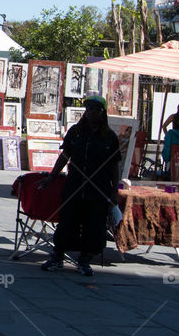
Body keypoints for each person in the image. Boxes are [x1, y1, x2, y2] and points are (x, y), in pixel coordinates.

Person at [39, 95, 120, 276]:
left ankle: (84, 260)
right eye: (88, 108)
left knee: (94, 226)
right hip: (75, 186)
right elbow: (65, 155)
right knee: (67, 222)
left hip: (97, 189)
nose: (89, 112)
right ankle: (57, 256)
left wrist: (114, 191)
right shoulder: (76, 132)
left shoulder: (109, 137)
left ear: (102, 113)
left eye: (94, 109)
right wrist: (52, 176)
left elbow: (114, 166)